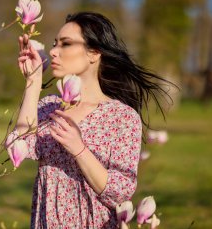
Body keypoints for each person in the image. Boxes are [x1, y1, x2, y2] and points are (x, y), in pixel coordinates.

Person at [11, 12, 170, 228]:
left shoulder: (121, 117)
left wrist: (79, 149)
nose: (53, 51)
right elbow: (21, 146)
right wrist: (33, 82)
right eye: (55, 43)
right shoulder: (49, 106)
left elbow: (120, 192)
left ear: (93, 53)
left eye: (66, 44)